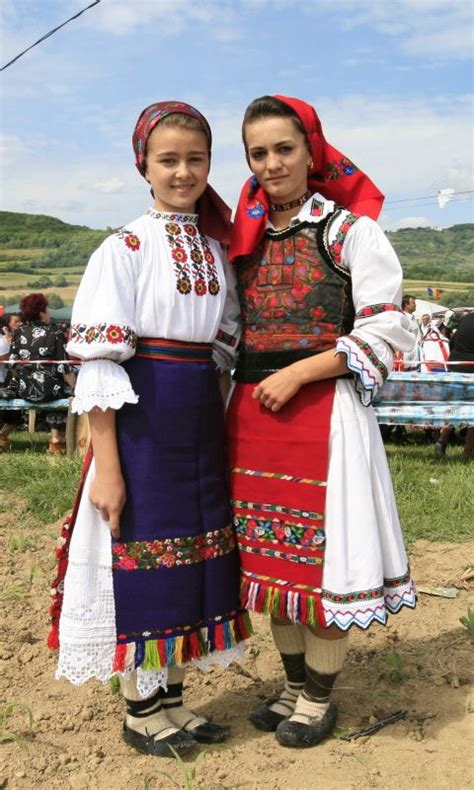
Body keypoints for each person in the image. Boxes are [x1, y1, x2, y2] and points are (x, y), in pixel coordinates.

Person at [48, 101, 251, 758]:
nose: (183, 172)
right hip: (142, 425)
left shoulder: (218, 254)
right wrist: (106, 464)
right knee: (145, 560)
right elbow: (100, 368)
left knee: (195, 559)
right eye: (169, 160)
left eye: (196, 159)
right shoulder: (124, 249)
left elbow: (223, 355)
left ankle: (172, 700)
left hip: (198, 423)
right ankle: (140, 708)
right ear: (144, 165)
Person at [226, 95, 416, 749]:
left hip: (324, 416)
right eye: (258, 152)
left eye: (284, 148)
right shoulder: (241, 241)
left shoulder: (349, 232)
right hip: (252, 421)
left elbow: (387, 327)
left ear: (313, 151)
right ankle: (291, 685)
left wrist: (301, 372)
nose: (272, 163)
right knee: (271, 565)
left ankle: (318, 697)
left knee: (320, 562)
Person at [6, 293, 74, 452]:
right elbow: (63, 367)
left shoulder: (18, 332)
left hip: (25, 391)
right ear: (42, 312)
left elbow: (13, 364)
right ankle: (56, 439)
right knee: (62, 391)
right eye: (47, 310)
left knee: (54, 388)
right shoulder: (55, 333)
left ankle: (4, 436)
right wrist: (76, 387)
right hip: (50, 391)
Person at [435, 312, 474, 461]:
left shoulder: (466, 319)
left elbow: (452, 342)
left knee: (456, 406)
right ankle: (466, 453)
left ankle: (442, 440)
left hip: (455, 365)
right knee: (473, 412)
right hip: (471, 368)